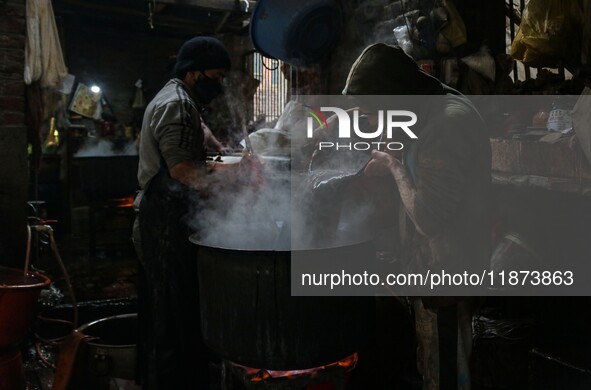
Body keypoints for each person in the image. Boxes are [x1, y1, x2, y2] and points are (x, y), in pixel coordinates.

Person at [344, 43, 491, 389]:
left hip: (450, 272)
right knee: (430, 367)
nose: (367, 121)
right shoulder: (423, 106)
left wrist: (394, 167)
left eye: (369, 112)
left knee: (446, 375)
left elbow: (428, 217)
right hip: (428, 267)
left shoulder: (448, 123)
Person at [133, 36, 232, 389]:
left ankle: (164, 378)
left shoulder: (180, 97)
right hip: (164, 220)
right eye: (216, 76)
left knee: (167, 307)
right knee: (171, 315)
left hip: (170, 214)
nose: (219, 84)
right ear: (193, 73)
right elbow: (183, 172)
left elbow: (197, 130)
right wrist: (236, 181)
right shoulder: (177, 104)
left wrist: (218, 149)